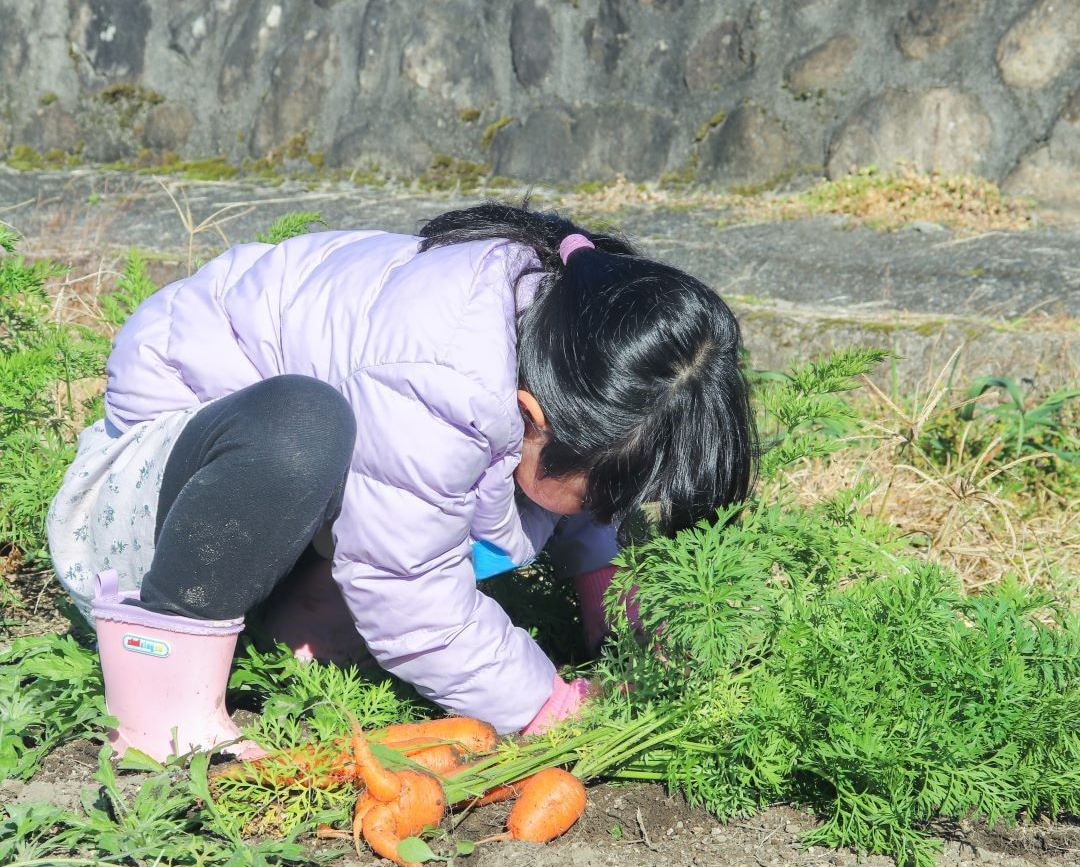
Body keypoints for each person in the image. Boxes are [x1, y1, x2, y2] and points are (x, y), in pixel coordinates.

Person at [47, 200, 757, 762]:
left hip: (287, 498)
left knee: (352, 498)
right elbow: (411, 593)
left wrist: (611, 597)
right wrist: (548, 707)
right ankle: (162, 708)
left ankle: (285, 623)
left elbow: (582, 476)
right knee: (302, 428)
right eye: (613, 498)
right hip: (160, 505)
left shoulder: (567, 349)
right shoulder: (438, 373)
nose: (618, 510)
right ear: (532, 418)